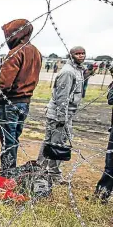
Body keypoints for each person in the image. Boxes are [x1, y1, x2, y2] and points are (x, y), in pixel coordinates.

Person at [0, 19, 42, 172]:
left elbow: (5, 84)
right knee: (14, 138)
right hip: (25, 102)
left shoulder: (15, 53)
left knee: (8, 140)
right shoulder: (36, 51)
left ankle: (8, 172)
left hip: (10, 102)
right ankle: (10, 170)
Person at [37, 46, 85, 182]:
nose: (81, 56)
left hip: (62, 114)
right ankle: (53, 174)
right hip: (59, 115)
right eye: (78, 54)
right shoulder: (68, 72)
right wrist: (62, 118)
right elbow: (62, 97)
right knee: (58, 144)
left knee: (51, 142)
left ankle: (40, 168)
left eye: (83, 53)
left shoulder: (77, 70)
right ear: (71, 55)